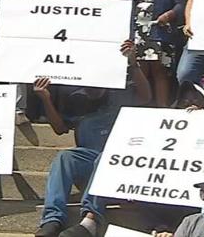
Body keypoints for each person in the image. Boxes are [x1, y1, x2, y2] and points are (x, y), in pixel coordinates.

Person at [34, 40, 152, 237]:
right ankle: (52, 219)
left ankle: (91, 219)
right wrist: (45, 99)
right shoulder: (75, 98)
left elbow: (146, 96)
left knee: (105, 157)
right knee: (65, 157)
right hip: (89, 158)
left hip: (121, 162)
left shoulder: (120, 93)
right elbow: (60, 128)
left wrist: (133, 64)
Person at [124, 0, 184, 108]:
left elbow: (180, 5)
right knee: (140, 72)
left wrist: (169, 15)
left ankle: (162, 106)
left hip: (160, 34)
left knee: (160, 73)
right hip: (137, 35)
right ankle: (142, 107)